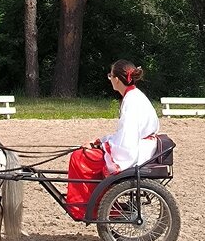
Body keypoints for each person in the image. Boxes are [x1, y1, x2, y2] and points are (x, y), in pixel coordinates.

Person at [66, 60, 160, 221]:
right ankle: (91, 203)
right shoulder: (134, 96)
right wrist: (100, 141)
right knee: (87, 154)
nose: (110, 79)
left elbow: (126, 140)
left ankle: (84, 208)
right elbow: (124, 134)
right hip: (141, 146)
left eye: (110, 76)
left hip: (134, 152)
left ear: (117, 79)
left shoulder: (131, 101)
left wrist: (103, 145)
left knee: (79, 157)